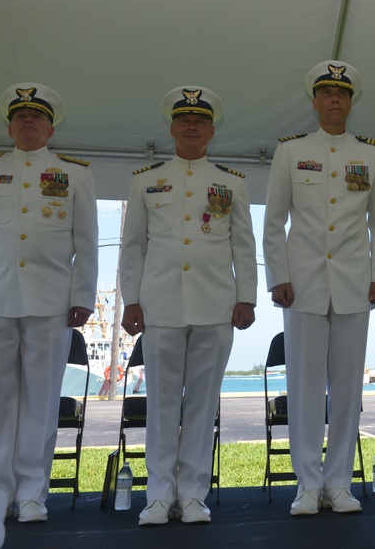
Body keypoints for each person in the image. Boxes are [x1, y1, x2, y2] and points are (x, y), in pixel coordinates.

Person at [0, 83, 98, 522]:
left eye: (36, 117)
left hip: (51, 303)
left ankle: (33, 491)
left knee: (41, 400)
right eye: (20, 117)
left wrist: (83, 296)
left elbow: (86, 242)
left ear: (51, 128)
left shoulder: (75, 174)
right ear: (11, 127)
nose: (27, 122)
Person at [119, 86, 257, 525]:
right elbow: (133, 245)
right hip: (160, 305)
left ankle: (194, 493)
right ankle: (158, 495)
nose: (191, 127)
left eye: (199, 121)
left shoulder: (231, 182)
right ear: (173, 128)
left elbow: (244, 246)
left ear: (212, 131)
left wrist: (247, 296)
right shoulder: (146, 180)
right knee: (160, 404)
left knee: (202, 403)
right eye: (184, 121)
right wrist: (132, 299)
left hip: (217, 304)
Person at [263, 61, 375, 516]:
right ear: (315, 101)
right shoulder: (291, 152)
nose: (335, 99)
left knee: (346, 391)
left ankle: (339, 483)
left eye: (342, 93)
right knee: (303, 387)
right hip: (301, 286)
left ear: (351, 102)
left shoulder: (372, 154)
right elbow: (274, 220)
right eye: (327, 93)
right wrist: (278, 274)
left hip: (356, 283)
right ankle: (306, 484)